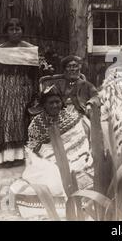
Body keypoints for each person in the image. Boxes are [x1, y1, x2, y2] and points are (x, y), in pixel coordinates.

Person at [9, 86, 93, 218]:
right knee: (51, 178)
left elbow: (80, 141)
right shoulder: (36, 125)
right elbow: (34, 151)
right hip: (49, 161)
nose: (55, 105)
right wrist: (55, 161)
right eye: (51, 103)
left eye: (57, 102)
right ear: (43, 105)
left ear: (62, 102)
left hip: (77, 156)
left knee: (84, 170)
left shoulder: (72, 118)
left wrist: (75, 157)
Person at [0, 18, 39, 166]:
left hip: (24, 91)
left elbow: (36, 72)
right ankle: (6, 157)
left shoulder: (30, 50)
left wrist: (35, 91)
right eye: (11, 29)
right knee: (5, 121)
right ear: (6, 32)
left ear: (22, 31)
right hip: (4, 92)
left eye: (17, 29)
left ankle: (23, 156)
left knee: (22, 121)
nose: (14, 32)